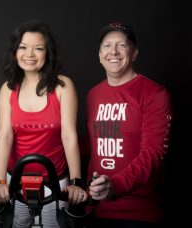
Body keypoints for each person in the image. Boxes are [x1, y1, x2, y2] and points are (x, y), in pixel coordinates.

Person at [0, 20, 87, 227]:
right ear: (15, 52)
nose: (30, 54)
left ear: (48, 53)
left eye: (38, 48)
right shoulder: (8, 89)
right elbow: (5, 136)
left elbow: (69, 136)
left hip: (55, 179)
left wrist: (76, 183)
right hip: (16, 179)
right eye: (23, 47)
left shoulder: (63, 86)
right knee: (19, 223)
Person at [86, 22, 173, 227]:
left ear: (134, 53)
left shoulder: (155, 94)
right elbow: (94, 147)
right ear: (99, 55)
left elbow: (153, 153)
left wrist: (115, 185)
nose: (113, 51)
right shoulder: (93, 95)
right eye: (107, 45)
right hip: (96, 210)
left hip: (138, 213)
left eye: (121, 45)